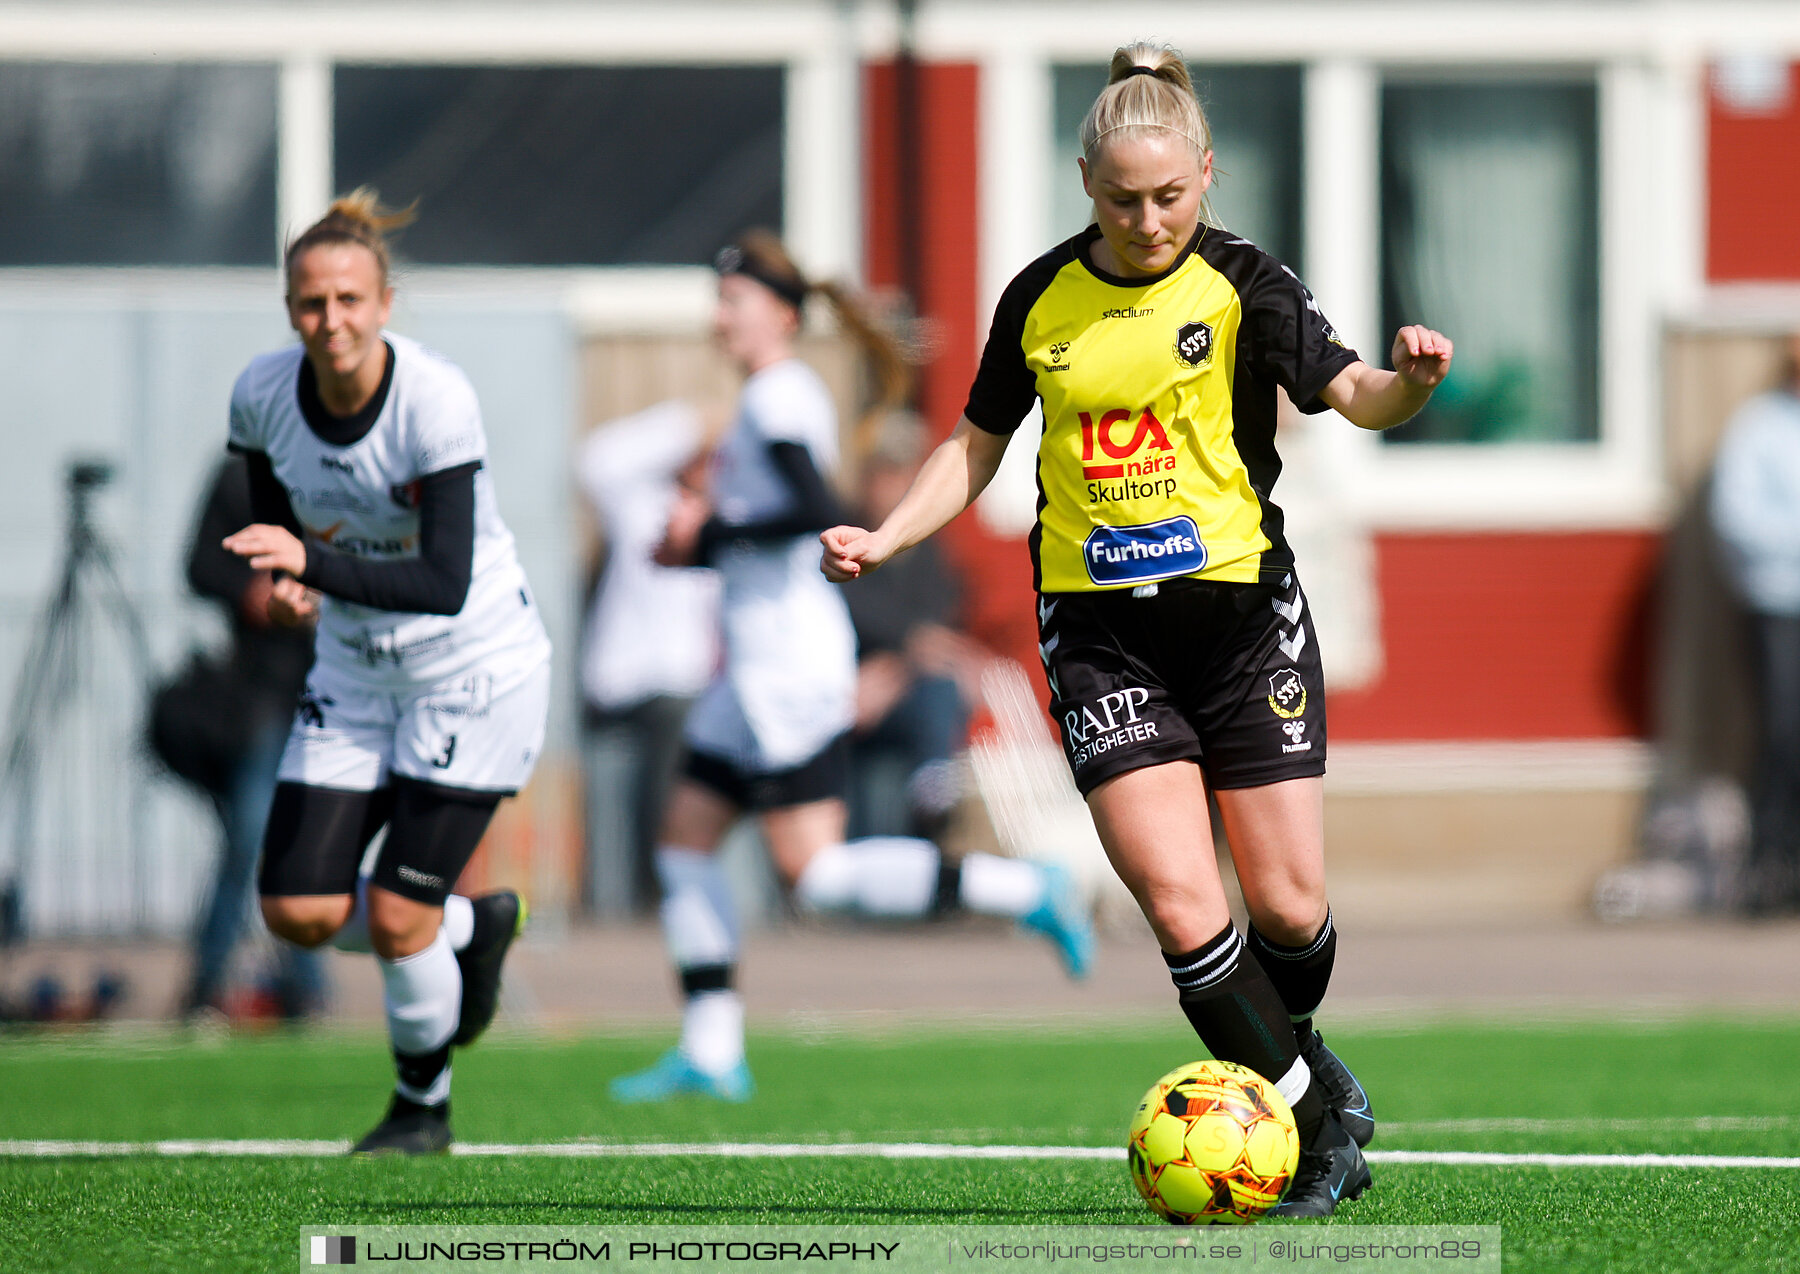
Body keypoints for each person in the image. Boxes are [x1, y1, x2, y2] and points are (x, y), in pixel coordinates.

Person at [822, 43, 1453, 1217]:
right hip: (1106, 641)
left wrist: (1411, 383)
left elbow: (1356, 391)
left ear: (1206, 174)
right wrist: (888, 533)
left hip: (1244, 628)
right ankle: (1316, 1121)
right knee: (1180, 906)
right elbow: (974, 444)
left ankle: (1296, 1062)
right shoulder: (1042, 299)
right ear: (1085, 185)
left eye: (1170, 195)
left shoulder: (1246, 284)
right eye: (1124, 199)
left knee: (1289, 909)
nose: (1149, 217)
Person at [609, 230, 1093, 1105]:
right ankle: (711, 1049)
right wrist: (703, 544)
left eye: (735, 301)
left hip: (786, 666)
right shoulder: (767, 397)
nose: (720, 317)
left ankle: (1024, 888)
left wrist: (701, 536)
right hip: (751, 667)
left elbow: (813, 507)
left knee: (817, 877)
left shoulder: (780, 396)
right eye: (718, 300)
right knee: (684, 844)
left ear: (782, 315)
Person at [221, 189, 552, 1155]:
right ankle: (468, 928)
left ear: (385, 303)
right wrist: (289, 593)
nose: (332, 322)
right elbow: (279, 533)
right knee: (299, 911)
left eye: (351, 301)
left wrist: (306, 567)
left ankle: (421, 1109)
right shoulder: (260, 394)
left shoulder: (434, 400)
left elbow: (445, 581)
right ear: (290, 309)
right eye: (312, 303)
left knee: (398, 914)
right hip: (358, 670)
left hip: (474, 670)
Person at [176, 455, 326, 1022]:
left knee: (308, 845)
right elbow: (198, 567)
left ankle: (306, 989)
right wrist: (253, 592)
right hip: (263, 691)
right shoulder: (243, 476)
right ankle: (210, 983)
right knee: (252, 837)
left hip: (338, 689)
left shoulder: (350, 471)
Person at [576, 401, 721, 917]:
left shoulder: (734, 523)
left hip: (681, 689)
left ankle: (664, 915)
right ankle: (614, 932)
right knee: (608, 834)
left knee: (668, 823)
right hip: (615, 682)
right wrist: (689, 423)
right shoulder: (644, 502)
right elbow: (596, 461)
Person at [842, 412, 985, 840]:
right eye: (883, 470)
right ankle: (931, 797)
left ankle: (933, 798)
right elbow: (869, 627)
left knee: (941, 689)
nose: (893, 482)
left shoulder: (929, 554)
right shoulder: (841, 543)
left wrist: (902, 664)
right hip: (844, 699)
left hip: (903, 693)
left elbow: (933, 639)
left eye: (904, 470)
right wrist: (910, 654)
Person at [1709, 331, 1800, 916]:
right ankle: (1768, 870)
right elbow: (1738, 518)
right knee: (1784, 734)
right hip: (1779, 604)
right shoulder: (1759, 427)